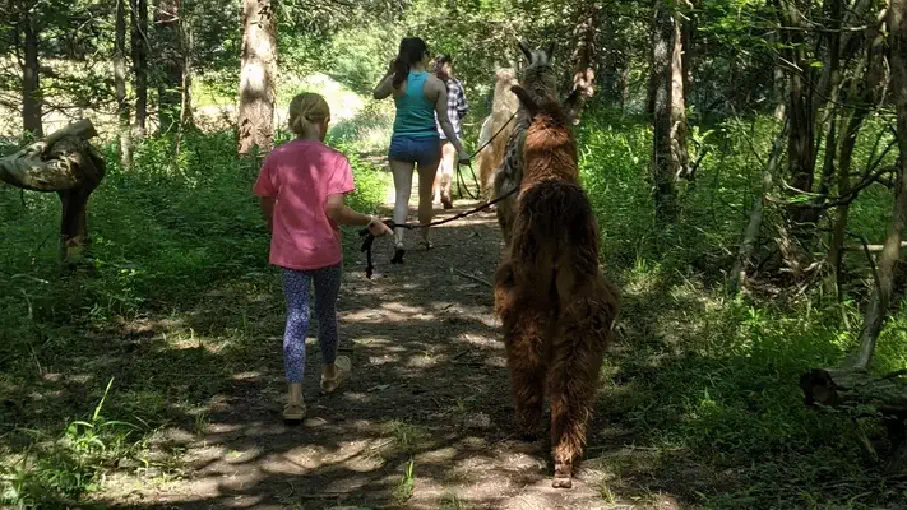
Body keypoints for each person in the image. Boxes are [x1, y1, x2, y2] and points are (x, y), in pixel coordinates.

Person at [253, 92, 392, 425]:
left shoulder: (277, 157)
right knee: (326, 312)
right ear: (324, 121)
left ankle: (294, 398)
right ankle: (329, 375)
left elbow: (265, 199)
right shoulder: (335, 159)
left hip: (289, 253)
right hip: (326, 252)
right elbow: (335, 210)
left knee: (296, 317)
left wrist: (276, 229)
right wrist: (368, 220)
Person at [373, 37, 469, 263]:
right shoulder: (436, 84)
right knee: (425, 195)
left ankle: (398, 240)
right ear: (423, 55)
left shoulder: (397, 80)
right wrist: (460, 149)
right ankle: (425, 238)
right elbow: (445, 122)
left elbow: (377, 93)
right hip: (427, 142)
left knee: (402, 195)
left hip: (401, 142)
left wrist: (389, 71)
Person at [432, 55, 469, 209]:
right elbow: (463, 109)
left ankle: (437, 197)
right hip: (451, 130)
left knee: (435, 164)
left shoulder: (430, 84)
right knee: (448, 163)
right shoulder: (457, 84)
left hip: (433, 129)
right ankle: (447, 190)